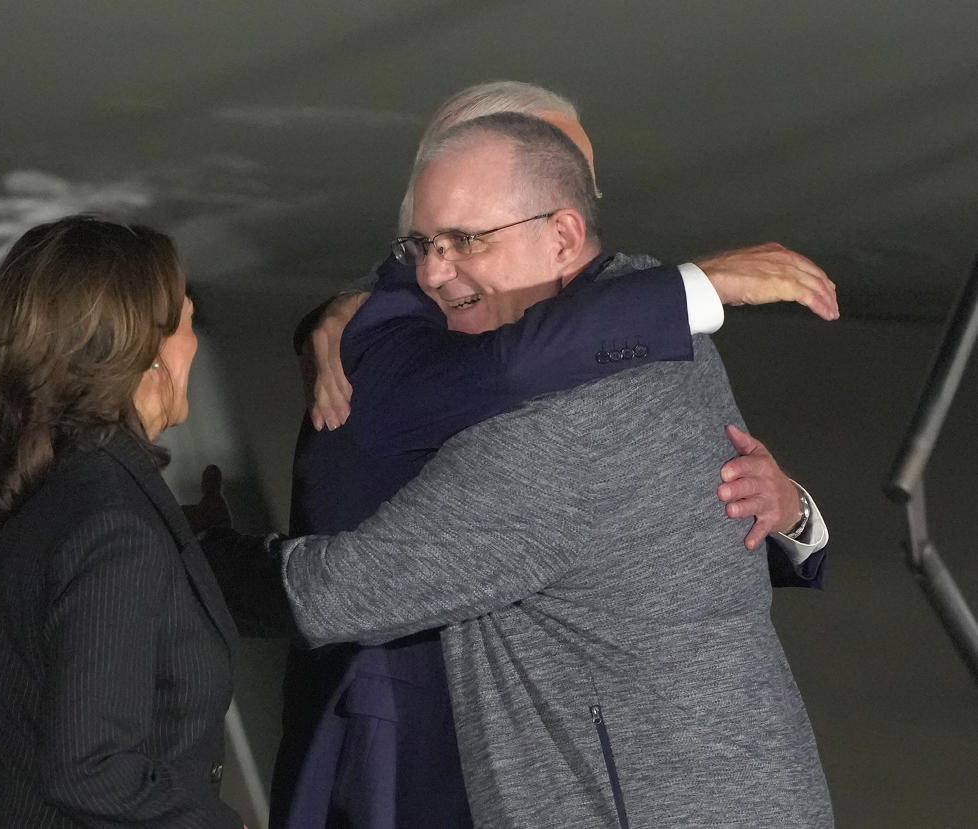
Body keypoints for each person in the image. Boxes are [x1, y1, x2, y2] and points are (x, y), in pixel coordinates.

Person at [270, 83, 831, 828]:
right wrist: (693, 287)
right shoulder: (394, 327)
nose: (584, 193)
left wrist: (796, 514)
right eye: (439, 240)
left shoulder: (634, 332)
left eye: (580, 174)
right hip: (415, 746)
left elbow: (654, 514)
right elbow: (509, 371)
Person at [0, 216, 244, 829]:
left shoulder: (53, 483)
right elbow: (91, 770)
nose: (194, 337)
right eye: (187, 317)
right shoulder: (115, 524)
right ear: (145, 351)